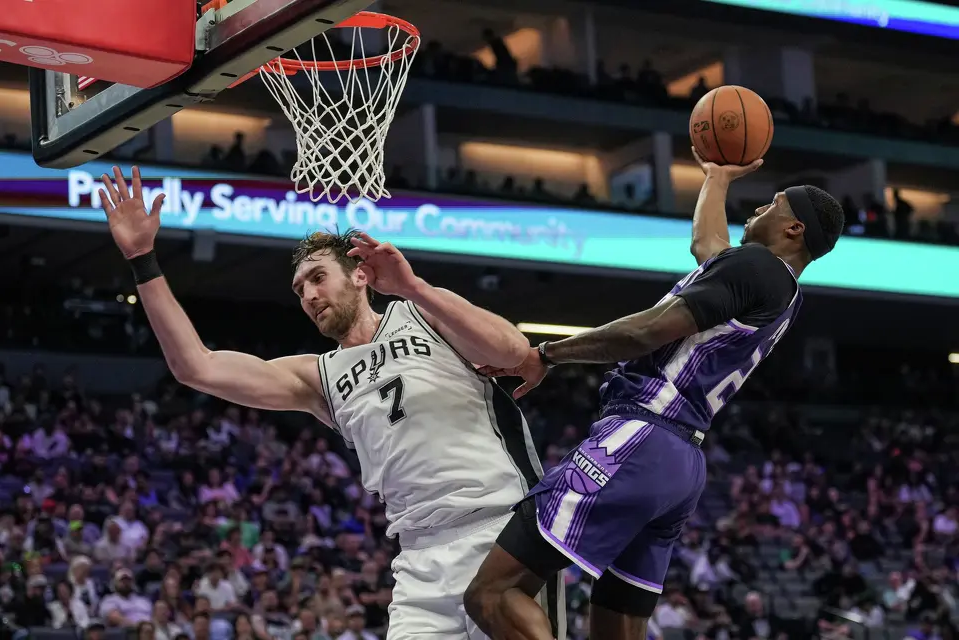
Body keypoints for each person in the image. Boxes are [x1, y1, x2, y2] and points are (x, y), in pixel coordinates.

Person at [96, 166, 564, 640]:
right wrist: (142, 259)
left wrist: (411, 286)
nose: (310, 295)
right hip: (419, 559)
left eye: (318, 278)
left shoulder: (421, 312)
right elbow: (195, 366)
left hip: (502, 532)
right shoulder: (317, 375)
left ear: (361, 274)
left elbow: (513, 351)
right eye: (300, 289)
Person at [464, 150, 845, 639]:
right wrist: (715, 178)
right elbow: (707, 243)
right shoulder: (779, 289)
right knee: (616, 628)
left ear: (794, 229)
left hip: (641, 437)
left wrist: (548, 354)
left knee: (493, 593)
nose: (757, 211)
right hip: (682, 465)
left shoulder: (757, 267)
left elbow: (649, 331)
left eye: (771, 205)